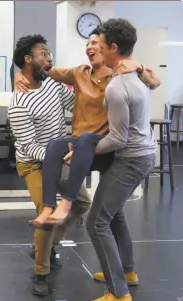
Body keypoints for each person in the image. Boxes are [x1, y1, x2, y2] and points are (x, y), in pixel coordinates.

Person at [14, 28, 160, 227]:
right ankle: (50, 207)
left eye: (95, 44)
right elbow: (42, 72)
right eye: (87, 45)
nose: (89, 47)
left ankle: (66, 204)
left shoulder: (118, 78)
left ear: (108, 49)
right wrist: (19, 74)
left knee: (105, 213)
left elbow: (155, 82)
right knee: (56, 146)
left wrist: (140, 67)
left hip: (104, 146)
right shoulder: (79, 74)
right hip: (77, 146)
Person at [8, 34, 91, 297]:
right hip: (33, 163)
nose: (50, 58)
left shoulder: (53, 85)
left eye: (49, 53)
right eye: (44, 53)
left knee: (82, 202)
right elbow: (29, 145)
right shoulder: (19, 103)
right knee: (47, 212)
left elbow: (74, 105)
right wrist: (58, 156)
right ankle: (40, 271)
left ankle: (46, 246)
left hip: (58, 156)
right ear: (27, 59)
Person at [85, 18, 157, 301]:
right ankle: (126, 271)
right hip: (142, 154)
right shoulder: (136, 76)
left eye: (100, 44)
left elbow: (118, 139)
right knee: (113, 214)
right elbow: (153, 79)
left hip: (132, 159)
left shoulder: (117, 86)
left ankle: (118, 292)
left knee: (96, 222)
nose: (96, 48)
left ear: (113, 47)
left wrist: (86, 151)